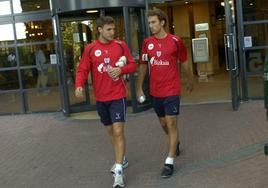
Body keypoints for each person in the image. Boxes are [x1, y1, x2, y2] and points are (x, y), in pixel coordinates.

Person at [75, 16, 136, 188]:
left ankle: (118, 172)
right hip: (101, 99)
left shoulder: (120, 45)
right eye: (108, 29)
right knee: (111, 132)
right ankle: (122, 158)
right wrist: (79, 85)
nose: (112, 32)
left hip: (118, 96)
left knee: (118, 130)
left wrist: (121, 69)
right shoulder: (90, 49)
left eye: (113, 29)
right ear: (99, 29)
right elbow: (82, 69)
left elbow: (133, 65)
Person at [136, 9, 194, 178]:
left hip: (172, 90)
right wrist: (139, 87)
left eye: (153, 22)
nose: (151, 26)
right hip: (156, 92)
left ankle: (169, 162)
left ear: (162, 22)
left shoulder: (176, 41)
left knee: (172, 123)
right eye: (149, 23)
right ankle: (174, 142)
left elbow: (184, 61)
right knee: (163, 124)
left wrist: (190, 80)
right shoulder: (147, 43)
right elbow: (143, 65)